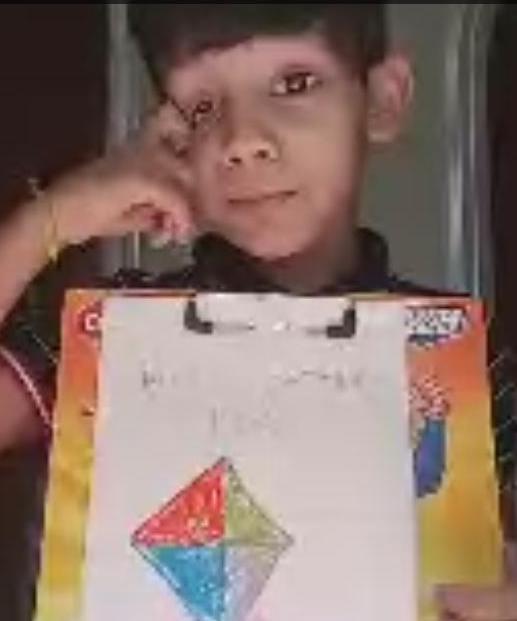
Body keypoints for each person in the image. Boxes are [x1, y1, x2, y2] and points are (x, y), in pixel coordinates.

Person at [0, 5, 514, 619]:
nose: (243, 140)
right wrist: (49, 221)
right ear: (170, 138)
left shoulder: (468, 362)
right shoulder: (109, 333)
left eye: (295, 83)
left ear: (382, 99)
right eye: (202, 107)